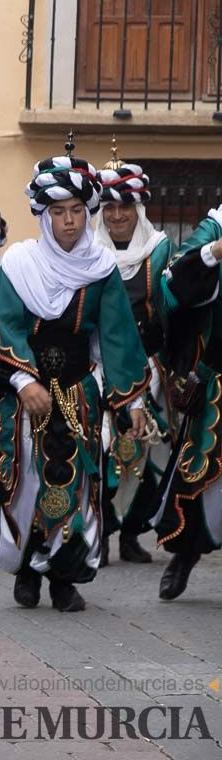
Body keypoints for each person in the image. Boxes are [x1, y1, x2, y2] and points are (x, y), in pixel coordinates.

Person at [0, 139, 148, 612]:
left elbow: (117, 338)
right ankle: (28, 570)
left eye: (75, 210)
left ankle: (64, 579)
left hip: (78, 394)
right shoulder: (20, 264)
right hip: (24, 392)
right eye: (58, 211)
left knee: (73, 488)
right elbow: (3, 325)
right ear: (43, 216)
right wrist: (23, 382)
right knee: (28, 483)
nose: (68, 221)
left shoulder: (101, 269)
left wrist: (130, 401)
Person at [92, 148, 172, 566]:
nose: (116, 216)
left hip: (149, 369)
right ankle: (101, 533)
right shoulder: (89, 253)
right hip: (101, 366)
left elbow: (169, 308)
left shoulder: (159, 250)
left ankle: (133, 534)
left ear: (137, 209)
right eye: (108, 208)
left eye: (124, 206)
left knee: (149, 450)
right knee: (103, 447)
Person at [151, 203, 222, 600]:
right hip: (218, 374)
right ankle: (185, 553)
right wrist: (215, 252)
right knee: (200, 471)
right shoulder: (213, 228)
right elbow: (172, 284)